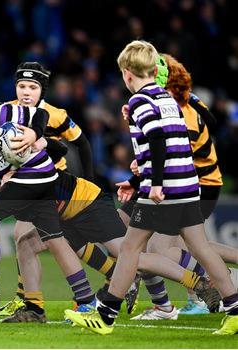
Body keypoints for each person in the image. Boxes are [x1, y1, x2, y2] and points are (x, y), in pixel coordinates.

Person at [64, 40, 238, 336]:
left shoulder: (140, 102)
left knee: (129, 248)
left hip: (164, 191)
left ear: (128, 73)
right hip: (187, 186)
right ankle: (235, 311)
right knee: (202, 249)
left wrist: (153, 185)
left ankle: (105, 316)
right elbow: (173, 142)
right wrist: (134, 182)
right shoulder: (167, 99)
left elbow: (157, 141)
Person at [0, 166, 218, 323]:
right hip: (66, 214)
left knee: (130, 256)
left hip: (88, 203)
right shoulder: (13, 198)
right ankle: (35, 308)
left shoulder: (21, 176)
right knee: (26, 244)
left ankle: (199, 284)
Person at [0, 78, 95, 318]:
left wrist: (33, 133)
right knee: (54, 239)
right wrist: (3, 175)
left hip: (36, 173)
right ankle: (86, 299)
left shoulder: (0, 112)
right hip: (35, 179)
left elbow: (39, 114)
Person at [117, 53, 237, 319]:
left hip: (192, 182)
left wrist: (145, 166)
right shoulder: (184, 103)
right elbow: (211, 121)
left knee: (166, 249)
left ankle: (199, 291)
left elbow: (171, 146)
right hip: (173, 179)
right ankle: (172, 297)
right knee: (136, 234)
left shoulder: (176, 108)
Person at [0, 62, 100, 317]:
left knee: (47, 240)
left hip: (54, 184)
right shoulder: (7, 112)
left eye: (33, 86)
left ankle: (107, 288)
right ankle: (30, 300)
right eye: (21, 86)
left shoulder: (56, 114)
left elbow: (82, 144)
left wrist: (90, 179)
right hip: (27, 185)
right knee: (27, 239)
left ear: (42, 90)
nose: (26, 92)